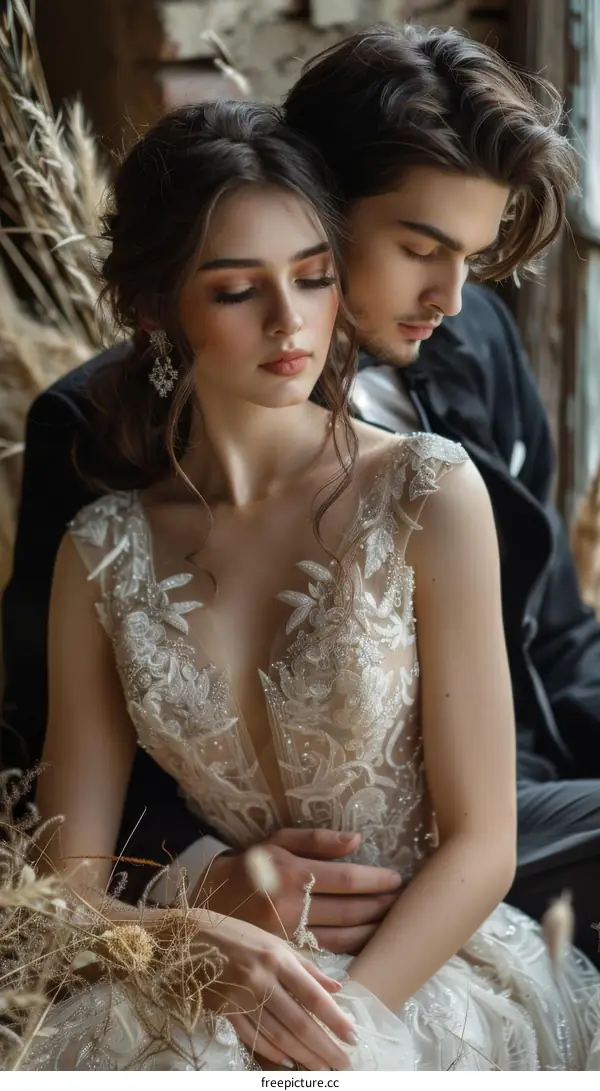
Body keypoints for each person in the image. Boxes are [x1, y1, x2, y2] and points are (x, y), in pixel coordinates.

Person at [21, 96, 600, 1073]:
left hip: (419, 962)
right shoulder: (101, 546)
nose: (290, 320)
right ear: (158, 308)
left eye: (314, 276)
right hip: (217, 964)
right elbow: (61, 879)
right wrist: (182, 937)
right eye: (238, 289)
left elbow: (483, 840)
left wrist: (347, 1021)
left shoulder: (429, 487)